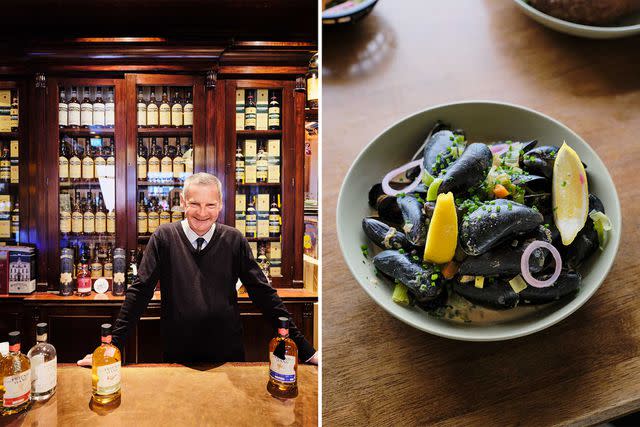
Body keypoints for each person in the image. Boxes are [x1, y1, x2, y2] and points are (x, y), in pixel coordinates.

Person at [78, 173, 317, 365]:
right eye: (195, 204)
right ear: (183, 203)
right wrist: (112, 346)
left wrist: (305, 350)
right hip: (178, 354)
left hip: (228, 354)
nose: (202, 213)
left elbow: (264, 295)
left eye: (210, 205)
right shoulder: (164, 237)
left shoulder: (234, 240)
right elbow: (139, 293)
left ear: (221, 205)